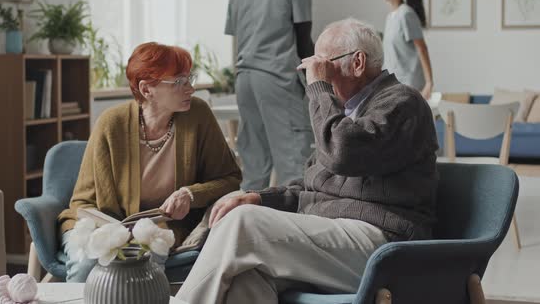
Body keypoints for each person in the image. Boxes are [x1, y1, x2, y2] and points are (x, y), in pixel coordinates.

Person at [176, 18, 439, 304]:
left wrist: (319, 87)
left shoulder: (402, 103)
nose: (312, 75)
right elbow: (313, 184)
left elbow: (342, 155)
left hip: (383, 245)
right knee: (246, 275)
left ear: (358, 62)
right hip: (336, 237)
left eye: (321, 65)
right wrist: (259, 198)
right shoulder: (346, 114)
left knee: (242, 223)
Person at [57, 42, 242, 282]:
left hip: (158, 231)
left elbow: (230, 179)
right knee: (86, 266)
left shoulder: (198, 115)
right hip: (99, 228)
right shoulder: (111, 123)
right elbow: (82, 201)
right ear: (146, 90)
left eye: (189, 79)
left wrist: (190, 193)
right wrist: (110, 229)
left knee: (142, 272)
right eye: (179, 82)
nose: (190, 89)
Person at [225, 0, 315, 190]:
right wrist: (317, 84)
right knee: (293, 162)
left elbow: (238, 35)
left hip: (245, 78)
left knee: (254, 164)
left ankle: (249, 220)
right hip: (277, 78)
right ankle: (294, 222)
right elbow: (303, 41)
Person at [382, 0, 434, 100]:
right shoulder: (390, 17)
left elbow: (422, 48)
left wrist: (429, 83)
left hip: (410, 84)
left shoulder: (406, 14)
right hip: (393, 84)